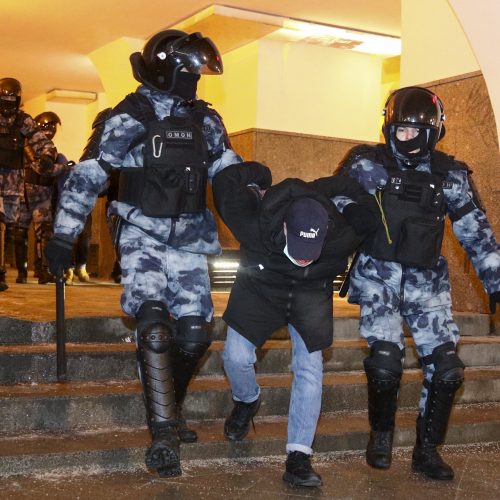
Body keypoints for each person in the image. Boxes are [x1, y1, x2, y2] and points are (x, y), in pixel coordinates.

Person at [45, 30, 242, 477]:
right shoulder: (128, 116)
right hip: (141, 232)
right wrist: (63, 236)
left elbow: (229, 175)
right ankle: (164, 435)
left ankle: (167, 406)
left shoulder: (206, 121)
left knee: (195, 333)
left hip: (192, 236)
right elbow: (89, 174)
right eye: (188, 72)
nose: (195, 80)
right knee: (154, 325)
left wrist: (260, 197)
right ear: (164, 69)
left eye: (198, 73)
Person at [337, 86, 500, 480]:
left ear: (433, 133)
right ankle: (381, 433)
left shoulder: (451, 176)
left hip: (428, 286)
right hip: (379, 278)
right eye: (398, 130)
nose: (403, 137)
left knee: (447, 370)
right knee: (386, 363)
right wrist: (354, 196)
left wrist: (496, 282)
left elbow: (476, 234)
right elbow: (328, 206)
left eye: (413, 131)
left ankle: (427, 451)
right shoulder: (364, 162)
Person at [212, 161, 376, 487]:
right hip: (261, 287)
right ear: (284, 227)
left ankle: (299, 456)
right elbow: (224, 182)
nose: (303, 257)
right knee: (236, 356)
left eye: (310, 251)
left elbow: (364, 201)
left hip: (308, 294)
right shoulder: (251, 219)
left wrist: (332, 192)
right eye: (299, 249)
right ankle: (247, 401)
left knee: (310, 368)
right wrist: (259, 173)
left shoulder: (343, 234)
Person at [0, 77, 56, 290]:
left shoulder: (23, 121)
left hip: (13, 183)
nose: (7, 105)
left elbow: (42, 141)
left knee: (9, 228)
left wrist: (48, 156)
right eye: (4, 99)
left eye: (11, 100)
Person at [16, 111, 70, 284]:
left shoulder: (47, 146)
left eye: (52, 127)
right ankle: (23, 273)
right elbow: (42, 169)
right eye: (47, 126)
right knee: (21, 233)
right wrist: (64, 167)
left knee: (42, 233)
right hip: (31, 194)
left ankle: (41, 270)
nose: (50, 130)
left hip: (41, 193)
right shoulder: (29, 144)